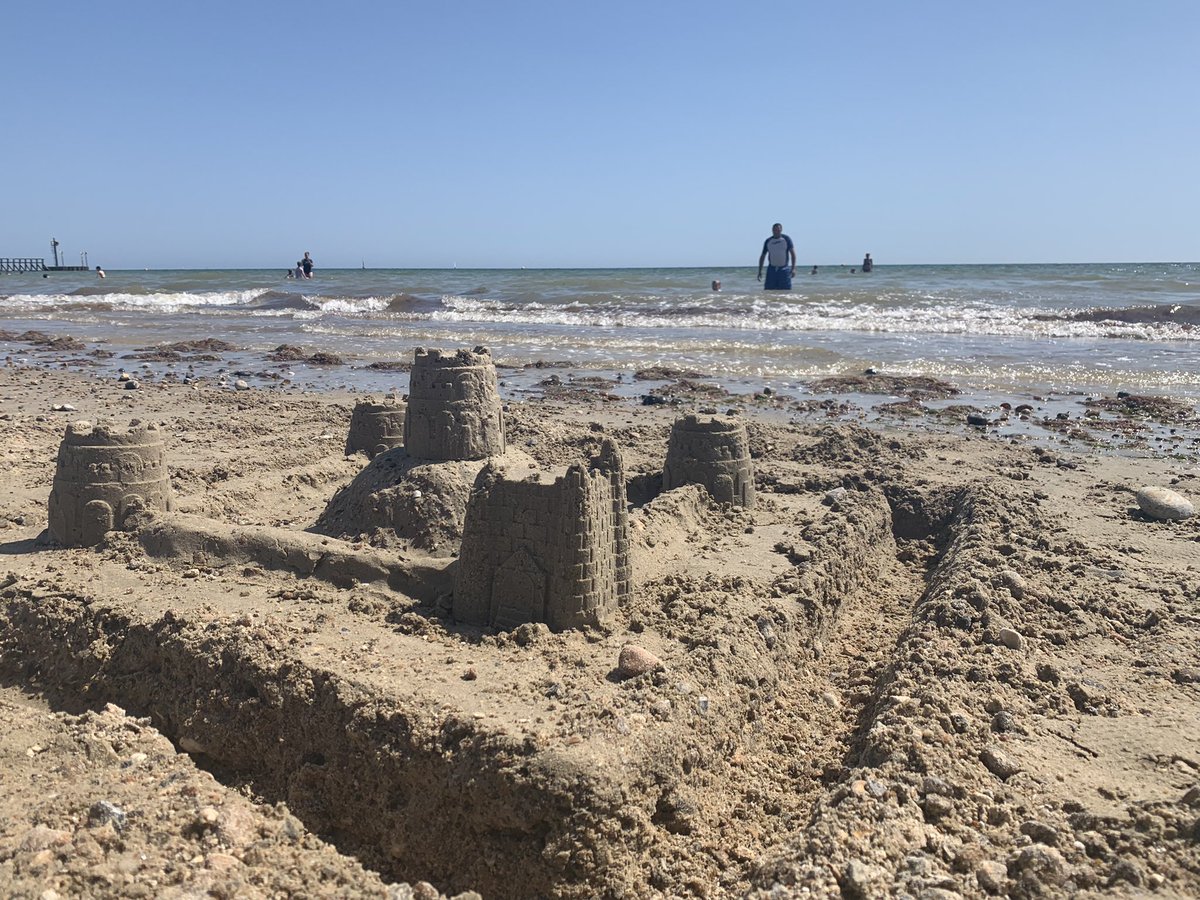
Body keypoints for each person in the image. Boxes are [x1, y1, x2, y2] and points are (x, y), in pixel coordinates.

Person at [757, 223, 796, 290]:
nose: (776, 232)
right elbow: (763, 256)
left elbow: (793, 254)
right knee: (768, 290)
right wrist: (760, 271)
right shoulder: (768, 241)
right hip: (771, 269)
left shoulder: (786, 239)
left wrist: (793, 269)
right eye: (775, 230)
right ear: (772, 230)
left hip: (784, 269)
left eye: (778, 230)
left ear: (781, 230)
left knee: (785, 291)